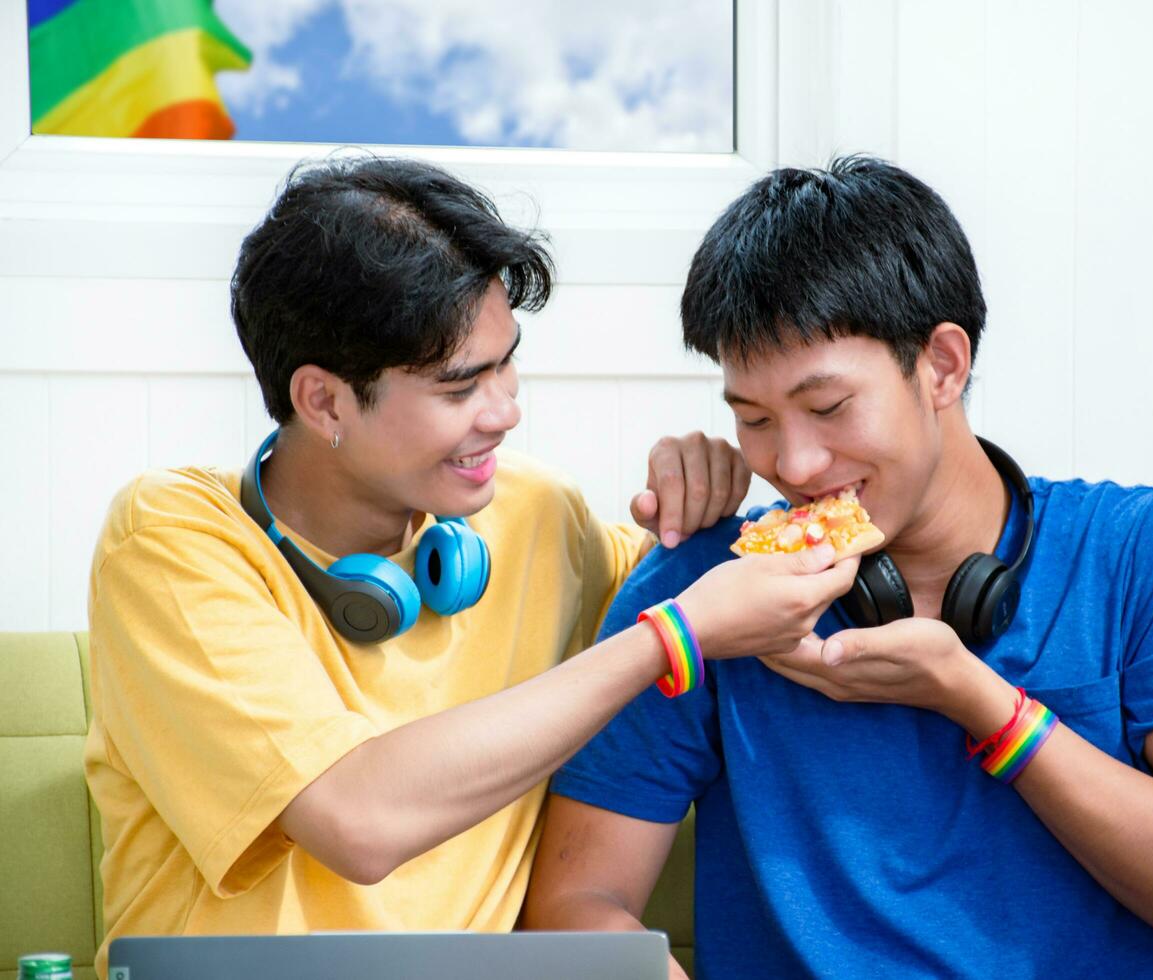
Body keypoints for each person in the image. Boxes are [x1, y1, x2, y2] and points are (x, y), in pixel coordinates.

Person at [523, 156, 1153, 979]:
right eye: (753, 419)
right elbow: (575, 909)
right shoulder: (707, 587)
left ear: (943, 365)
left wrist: (984, 705)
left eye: (828, 408)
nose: (794, 461)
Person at [83, 156, 858, 969]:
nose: (506, 410)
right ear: (323, 401)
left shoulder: (534, 516)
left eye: (506, 362)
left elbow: (720, 587)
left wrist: (697, 494)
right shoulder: (171, 538)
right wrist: (668, 635)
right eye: (459, 389)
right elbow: (358, 820)